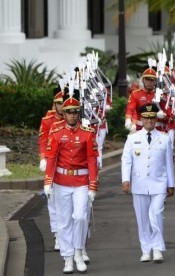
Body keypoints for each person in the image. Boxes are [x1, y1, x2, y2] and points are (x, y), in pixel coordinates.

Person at [43, 89, 99, 274]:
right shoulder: (57, 132)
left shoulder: (87, 133)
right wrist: (48, 182)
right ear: (64, 113)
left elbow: (92, 159)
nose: (72, 115)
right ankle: (67, 259)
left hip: (81, 181)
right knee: (64, 221)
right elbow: (51, 157)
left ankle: (78, 252)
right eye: (69, 111)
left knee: (81, 217)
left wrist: (93, 185)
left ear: (79, 113)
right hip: (61, 181)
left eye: (75, 111)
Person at [121, 103, 175, 263]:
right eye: (146, 118)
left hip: (159, 183)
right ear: (141, 119)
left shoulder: (164, 139)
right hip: (139, 183)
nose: (149, 121)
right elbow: (126, 161)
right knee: (142, 218)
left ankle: (157, 248)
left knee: (156, 213)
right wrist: (126, 180)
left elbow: (169, 163)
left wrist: (171, 184)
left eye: (152, 118)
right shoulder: (132, 138)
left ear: (155, 119)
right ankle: (146, 249)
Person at [38, 86, 64, 251]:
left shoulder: (74, 118)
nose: (61, 106)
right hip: (51, 162)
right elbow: (42, 141)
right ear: (54, 104)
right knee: (53, 199)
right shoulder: (47, 120)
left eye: (63, 103)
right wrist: (42, 159)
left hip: (67, 163)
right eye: (58, 103)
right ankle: (57, 233)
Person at [125, 67, 158, 132]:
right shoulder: (135, 94)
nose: (149, 82)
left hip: (156, 128)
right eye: (147, 80)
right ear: (143, 80)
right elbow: (131, 108)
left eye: (151, 80)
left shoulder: (160, 94)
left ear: (155, 82)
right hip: (139, 127)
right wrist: (128, 119)